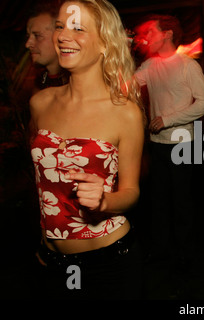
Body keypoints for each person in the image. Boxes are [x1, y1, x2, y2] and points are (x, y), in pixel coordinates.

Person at [30, 0, 145, 299]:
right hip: (51, 259)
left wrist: (104, 201)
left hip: (107, 261)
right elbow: (42, 185)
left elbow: (132, 192)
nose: (64, 35)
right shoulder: (40, 103)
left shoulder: (125, 112)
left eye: (78, 28)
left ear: (105, 42)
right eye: (60, 26)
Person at [133, 14, 204, 297]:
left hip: (182, 143)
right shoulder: (150, 65)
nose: (147, 37)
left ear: (167, 34)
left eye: (151, 32)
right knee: (158, 200)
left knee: (181, 202)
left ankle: (185, 255)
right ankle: (161, 252)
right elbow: (126, 86)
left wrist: (167, 119)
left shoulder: (188, 66)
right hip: (157, 143)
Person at [25, 1, 69, 94]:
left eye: (37, 36)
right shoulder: (38, 83)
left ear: (60, 36)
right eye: (28, 36)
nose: (28, 44)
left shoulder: (75, 87)